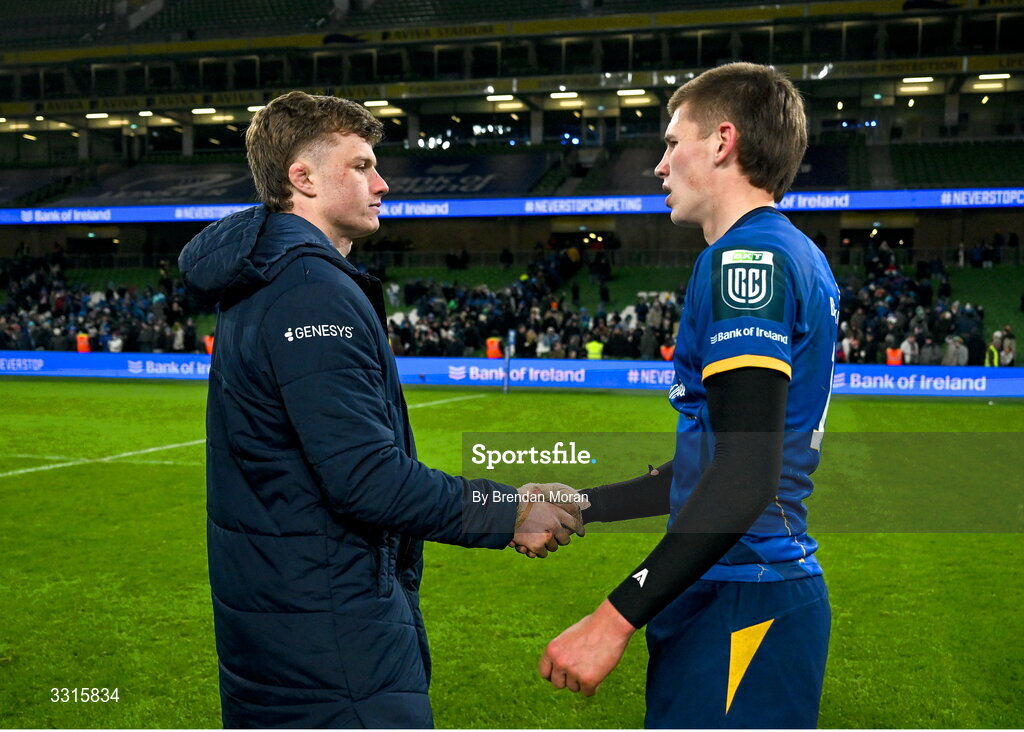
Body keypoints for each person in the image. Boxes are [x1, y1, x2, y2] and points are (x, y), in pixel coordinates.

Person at [178, 91, 585, 729]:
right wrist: (510, 511)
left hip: (282, 632)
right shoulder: (310, 292)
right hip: (332, 648)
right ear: (302, 178)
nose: (383, 183)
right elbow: (365, 479)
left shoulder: (264, 280)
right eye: (362, 165)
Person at [539, 63, 837, 729]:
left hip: (745, 599)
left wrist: (612, 618)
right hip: (731, 594)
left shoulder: (746, 261)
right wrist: (585, 505)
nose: (660, 165)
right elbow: (711, 467)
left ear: (723, 141)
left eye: (673, 143)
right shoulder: (776, 251)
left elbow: (745, 476)